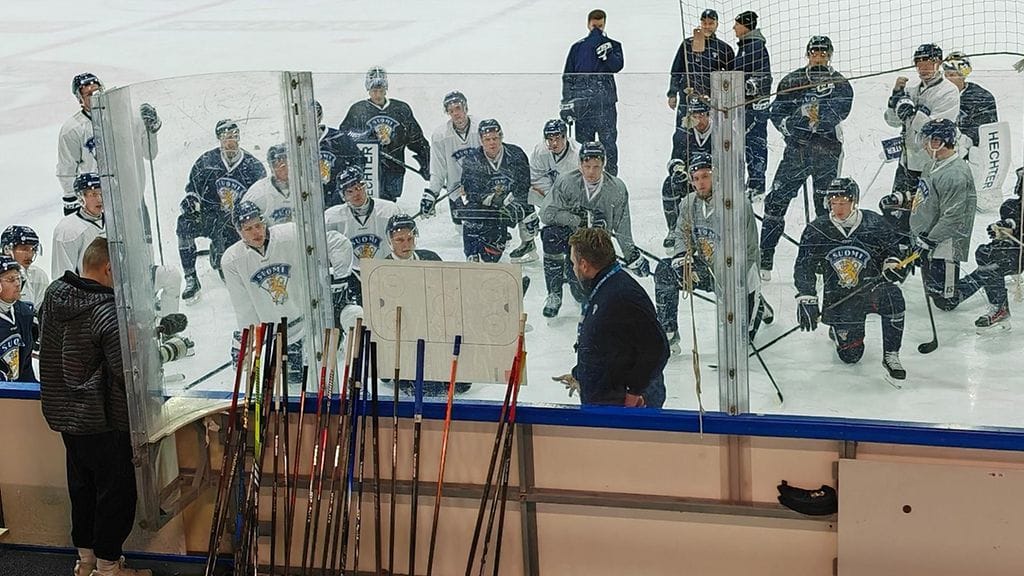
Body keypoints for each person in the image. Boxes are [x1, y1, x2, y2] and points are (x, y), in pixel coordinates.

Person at [38, 237, 153, 576]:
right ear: (108, 268)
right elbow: (125, 371)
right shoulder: (106, 310)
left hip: (67, 418)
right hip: (103, 420)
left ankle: (86, 562)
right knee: (115, 494)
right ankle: (108, 567)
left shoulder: (55, 294)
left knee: (83, 488)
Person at [793, 178, 910, 381]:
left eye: (843, 202)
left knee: (894, 298)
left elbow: (894, 250)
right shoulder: (817, 229)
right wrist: (806, 296)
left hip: (871, 289)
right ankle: (839, 330)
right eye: (834, 202)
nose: (838, 208)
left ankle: (891, 353)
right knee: (851, 356)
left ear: (854, 201)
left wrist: (892, 263)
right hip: (840, 297)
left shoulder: (874, 222)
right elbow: (804, 265)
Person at [654, 153, 772, 352]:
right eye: (696, 178)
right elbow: (681, 233)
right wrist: (681, 256)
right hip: (707, 269)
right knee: (665, 270)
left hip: (739, 273)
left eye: (706, 176)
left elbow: (746, 249)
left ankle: (756, 304)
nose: (701, 182)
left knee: (738, 344)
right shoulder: (688, 203)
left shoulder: (737, 204)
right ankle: (669, 332)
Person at [221, 201, 357, 373]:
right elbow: (244, 307)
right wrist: (248, 338)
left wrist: (340, 280)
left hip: (312, 323)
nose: (256, 232)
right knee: (293, 386)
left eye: (258, 225)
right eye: (248, 229)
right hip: (279, 335)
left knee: (323, 373)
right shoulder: (232, 260)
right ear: (239, 231)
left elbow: (337, 243)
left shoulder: (291, 234)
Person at [759, 35, 853, 280]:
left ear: (830, 54)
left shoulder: (840, 83)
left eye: (823, 52)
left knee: (826, 206)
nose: (818, 56)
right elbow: (776, 111)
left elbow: (837, 113)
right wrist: (790, 125)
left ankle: (824, 257)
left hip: (827, 152)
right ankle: (765, 256)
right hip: (797, 152)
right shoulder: (792, 79)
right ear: (807, 53)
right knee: (776, 200)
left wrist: (810, 120)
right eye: (814, 51)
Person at [552, 228, 668, 407]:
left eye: (574, 262)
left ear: (584, 265)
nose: (573, 268)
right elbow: (608, 347)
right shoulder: (606, 288)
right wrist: (581, 375)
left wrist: (634, 393)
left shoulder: (623, 296)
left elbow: (658, 348)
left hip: (623, 410)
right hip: (606, 401)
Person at [539, 141, 650, 318]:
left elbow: (622, 225)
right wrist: (576, 219)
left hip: (595, 246)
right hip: (570, 238)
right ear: (580, 164)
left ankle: (577, 279)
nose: (591, 172)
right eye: (587, 166)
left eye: (596, 166)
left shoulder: (617, 188)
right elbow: (546, 214)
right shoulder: (566, 182)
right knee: (550, 235)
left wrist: (631, 255)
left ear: (604, 164)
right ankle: (554, 292)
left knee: (581, 295)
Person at [176, 119, 267, 303]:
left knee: (224, 268)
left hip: (235, 222)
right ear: (219, 139)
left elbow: (261, 197)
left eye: (234, 136)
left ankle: (219, 253)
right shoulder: (206, 161)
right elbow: (192, 188)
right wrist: (191, 200)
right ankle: (191, 277)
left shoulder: (253, 166)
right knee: (184, 223)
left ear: (239, 137)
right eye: (226, 137)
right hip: (209, 216)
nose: (230, 141)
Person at [56, 73, 161, 216]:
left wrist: (152, 129)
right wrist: (74, 205)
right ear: (80, 100)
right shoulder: (72, 130)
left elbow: (150, 154)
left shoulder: (131, 118)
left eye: (97, 91)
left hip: (133, 199)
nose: (95, 96)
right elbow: (67, 171)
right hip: (100, 206)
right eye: (88, 94)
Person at [909, 118, 977, 310]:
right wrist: (903, 197)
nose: (923, 145)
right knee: (932, 287)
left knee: (945, 299)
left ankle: (982, 276)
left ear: (938, 142)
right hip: (928, 238)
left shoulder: (955, 174)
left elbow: (953, 217)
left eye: (927, 140)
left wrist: (931, 239)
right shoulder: (932, 164)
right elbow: (928, 194)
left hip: (945, 244)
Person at [883, 44, 960, 207]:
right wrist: (895, 98)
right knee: (898, 211)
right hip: (906, 164)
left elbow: (938, 128)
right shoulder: (911, 91)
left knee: (925, 215)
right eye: (919, 65)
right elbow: (893, 121)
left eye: (928, 64)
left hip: (932, 164)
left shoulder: (948, 91)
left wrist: (912, 114)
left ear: (938, 63)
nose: (924, 69)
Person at [339, 67, 430, 201]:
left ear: (385, 89)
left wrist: (426, 162)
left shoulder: (400, 109)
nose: (377, 94)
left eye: (380, 90)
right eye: (374, 90)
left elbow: (416, 138)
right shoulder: (358, 110)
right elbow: (344, 137)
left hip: (394, 168)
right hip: (367, 169)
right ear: (368, 90)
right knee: (367, 202)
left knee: (388, 204)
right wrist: (367, 136)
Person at [953, 167, 1023, 330]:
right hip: (1018, 252)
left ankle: (972, 286)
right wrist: (1004, 228)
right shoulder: (1011, 206)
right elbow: (1012, 221)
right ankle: (999, 307)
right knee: (986, 253)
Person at [458, 119, 533, 263]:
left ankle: (528, 244)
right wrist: (492, 199)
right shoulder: (471, 159)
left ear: (501, 137)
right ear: (481, 140)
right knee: (471, 212)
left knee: (527, 209)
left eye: (495, 138)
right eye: (487, 139)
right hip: (487, 207)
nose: (492, 143)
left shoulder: (516, 154)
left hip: (510, 204)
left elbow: (524, 186)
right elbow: (471, 191)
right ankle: (472, 252)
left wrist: (513, 201)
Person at [560, 9, 624, 176]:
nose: (597, 29)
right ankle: (584, 177)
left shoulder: (614, 45)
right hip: (584, 104)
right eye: (595, 26)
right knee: (583, 145)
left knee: (609, 144)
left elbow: (617, 66)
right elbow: (568, 76)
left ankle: (610, 177)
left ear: (605, 25)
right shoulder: (577, 48)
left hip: (605, 104)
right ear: (588, 24)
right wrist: (567, 102)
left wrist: (608, 55)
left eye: (600, 26)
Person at [524, 119, 580, 262]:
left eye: (557, 138)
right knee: (525, 189)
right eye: (550, 139)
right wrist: (552, 199)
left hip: (573, 200)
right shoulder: (540, 151)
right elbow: (536, 178)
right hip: (551, 195)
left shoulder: (577, 155)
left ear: (565, 137)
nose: (554, 143)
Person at [421, 91, 480, 225]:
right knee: (463, 230)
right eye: (451, 110)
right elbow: (438, 170)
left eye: (458, 108)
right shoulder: (440, 136)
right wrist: (432, 194)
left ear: (466, 108)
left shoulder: (481, 128)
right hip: (456, 191)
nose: (455, 113)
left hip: (483, 189)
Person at [731, 11, 773, 199]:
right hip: (744, 106)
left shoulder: (755, 46)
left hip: (754, 108)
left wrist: (748, 87)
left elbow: (763, 75)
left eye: (737, 24)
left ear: (745, 26)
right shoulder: (745, 46)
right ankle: (753, 182)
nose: (734, 28)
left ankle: (757, 185)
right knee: (747, 145)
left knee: (755, 144)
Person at [663, 96, 713, 250]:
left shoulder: (721, 133)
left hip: (714, 180)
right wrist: (678, 171)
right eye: (695, 116)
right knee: (669, 184)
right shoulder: (682, 133)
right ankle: (674, 228)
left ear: (709, 114)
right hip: (693, 179)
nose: (698, 120)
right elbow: (675, 158)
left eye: (702, 115)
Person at [325, 166, 403, 265]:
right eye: (350, 191)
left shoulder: (390, 210)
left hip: (385, 270)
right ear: (342, 195)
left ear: (365, 186)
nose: (356, 194)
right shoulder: (331, 218)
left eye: (358, 188)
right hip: (351, 275)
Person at [667, 8, 735, 104]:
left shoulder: (723, 48)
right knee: (686, 119)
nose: (707, 26)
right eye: (704, 23)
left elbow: (732, 74)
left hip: (712, 98)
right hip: (688, 96)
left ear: (717, 25)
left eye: (711, 23)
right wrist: (672, 94)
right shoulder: (687, 44)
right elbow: (676, 70)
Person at [52, 173, 106, 279]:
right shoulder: (68, 230)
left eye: (102, 193)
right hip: (88, 293)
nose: (100, 199)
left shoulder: (116, 221)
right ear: (81, 198)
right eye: (93, 194)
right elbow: (63, 277)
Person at [941, 52, 997, 150]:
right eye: (945, 75)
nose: (947, 79)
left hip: (971, 154)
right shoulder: (938, 95)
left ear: (963, 75)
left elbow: (984, 130)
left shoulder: (981, 97)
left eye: (951, 75)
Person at [316, 100, 365, 208]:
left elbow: (359, 159)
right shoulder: (295, 144)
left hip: (336, 198)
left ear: (319, 117)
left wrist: (348, 182)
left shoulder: (338, 138)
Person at [0, 255, 35, 382]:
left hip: (16, 392)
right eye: (11, 279)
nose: (17, 284)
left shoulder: (24, 313)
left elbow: (26, 365)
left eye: (18, 278)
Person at [244, 144, 292, 225]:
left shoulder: (305, 188)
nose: (284, 169)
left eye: (286, 163)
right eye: (278, 165)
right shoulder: (258, 194)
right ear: (271, 167)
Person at [2, 225, 49, 308]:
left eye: (33, 249)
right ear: (7, 249)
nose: (30, 255)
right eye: (24, 249)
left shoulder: (39, 276)